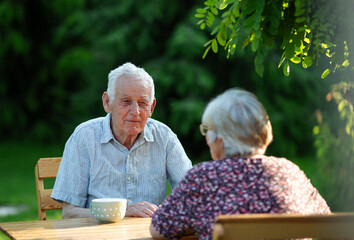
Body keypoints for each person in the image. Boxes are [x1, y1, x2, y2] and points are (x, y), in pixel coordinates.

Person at [150, 88, 331, 239]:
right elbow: (329, 224)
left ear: (220, 139)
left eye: (208, 130)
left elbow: (159, 230)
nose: (207, 139)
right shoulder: (291, 173)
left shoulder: (203, 177)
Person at [51, 62, 192, 218]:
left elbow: (191, 195)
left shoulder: (165, 138)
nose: (135, 112)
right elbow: (70, 213)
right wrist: (122, 212)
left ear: (151, 107)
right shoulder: (84, 137)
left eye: (142, 103)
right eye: (126, 101)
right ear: (107, 102)